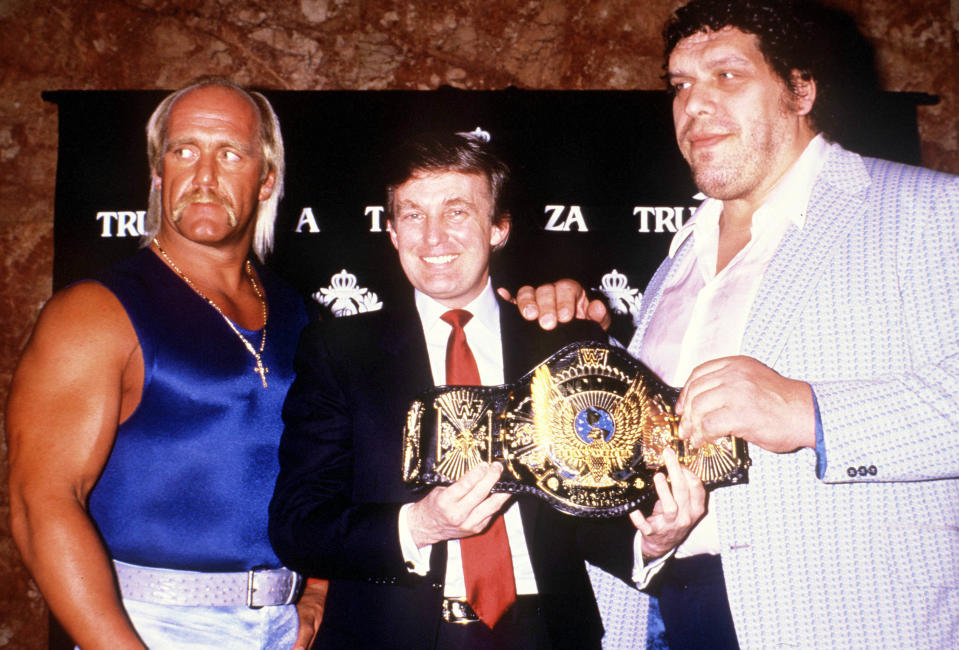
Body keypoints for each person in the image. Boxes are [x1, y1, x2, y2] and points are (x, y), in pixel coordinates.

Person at [514, 0, 959, 647]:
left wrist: (809, 412)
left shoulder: (930, 211)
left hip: (845, 620)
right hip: (659, 616)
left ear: (799, 88)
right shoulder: (677, 259)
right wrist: (595, 354)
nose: (693, 105)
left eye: (725, 76)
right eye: (679, 85)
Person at [268, 130, 705, 649]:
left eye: (456, 212)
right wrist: (419, 525)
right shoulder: (338, 351)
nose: (432, 237)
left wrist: (651, 540)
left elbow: (591, 508)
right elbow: (299, 525)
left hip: (546, 633)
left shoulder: (566, 343)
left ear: (498, 227)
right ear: (391, 230)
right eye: (412, 214)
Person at [6, 78, 326, 649]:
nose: (204, 176)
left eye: (229, 153)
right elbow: (42, 505)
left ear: (267, 178)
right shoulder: (94, 312)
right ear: (159, 172)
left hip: (283, 627)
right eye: (184, 151)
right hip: (148, 626)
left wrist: (317, 594)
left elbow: (328, 464)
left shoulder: (297, 310)